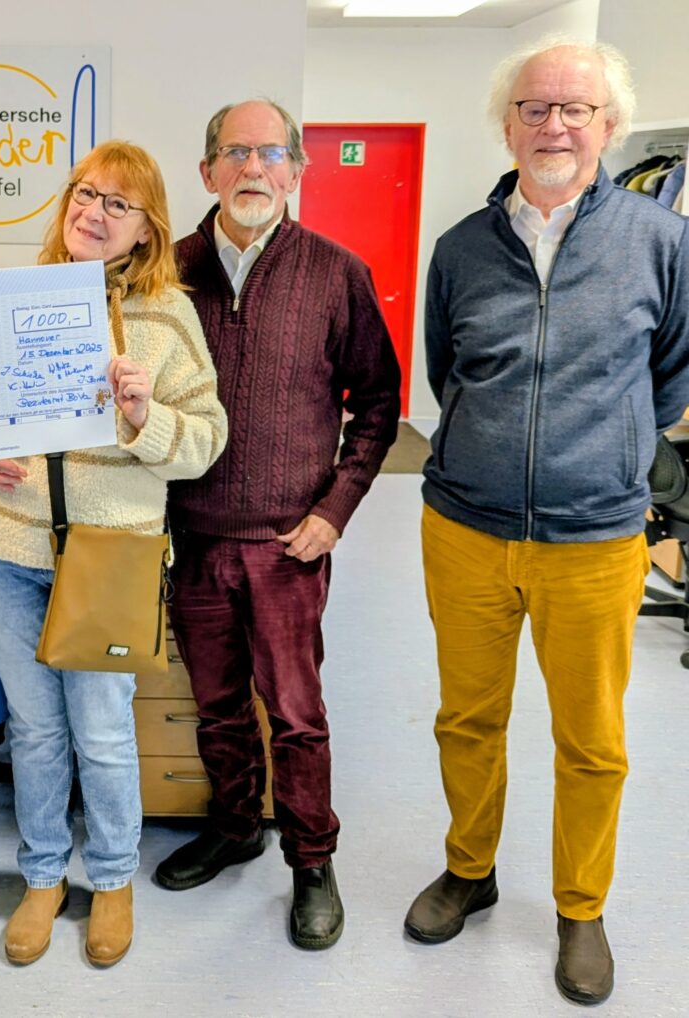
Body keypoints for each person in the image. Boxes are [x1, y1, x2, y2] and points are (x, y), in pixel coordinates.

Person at [404, 38, 689, 1006]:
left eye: (576, 109)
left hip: (595, 539)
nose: (554, 125)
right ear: (508, 125)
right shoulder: (460, 249)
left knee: (592, 740)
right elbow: (449, 373)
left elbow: (670, 376)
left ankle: (581, 906)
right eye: (534, 107)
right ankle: (470, 870)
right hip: (466, 528)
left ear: (610, 125)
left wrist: (604, 453)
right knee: (467, 719)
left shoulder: (661, 242)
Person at [0, 140, 227, 967]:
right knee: (35, 731)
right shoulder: (12, 296)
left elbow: (206, 442)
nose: (94, 212)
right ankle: (43, 875)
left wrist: (146, 417)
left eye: (118, 203)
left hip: (110, 555)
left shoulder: (168, 316)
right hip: (4, 545)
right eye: (85, 193)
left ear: (148, 229)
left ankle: (111, 876)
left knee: (103, 732)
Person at [155, 100, 401, 951]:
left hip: (288, 545)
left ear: (297, 169)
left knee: (296, 715)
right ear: (207, 171)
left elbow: (378, 407)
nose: (252, 168)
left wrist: (334, 511)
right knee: (218, 707)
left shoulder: (336, 273)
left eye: (270, 153)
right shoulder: (165, 271)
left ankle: (311, 858)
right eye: (235, 153)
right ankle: (234, 828)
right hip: (192, 538)